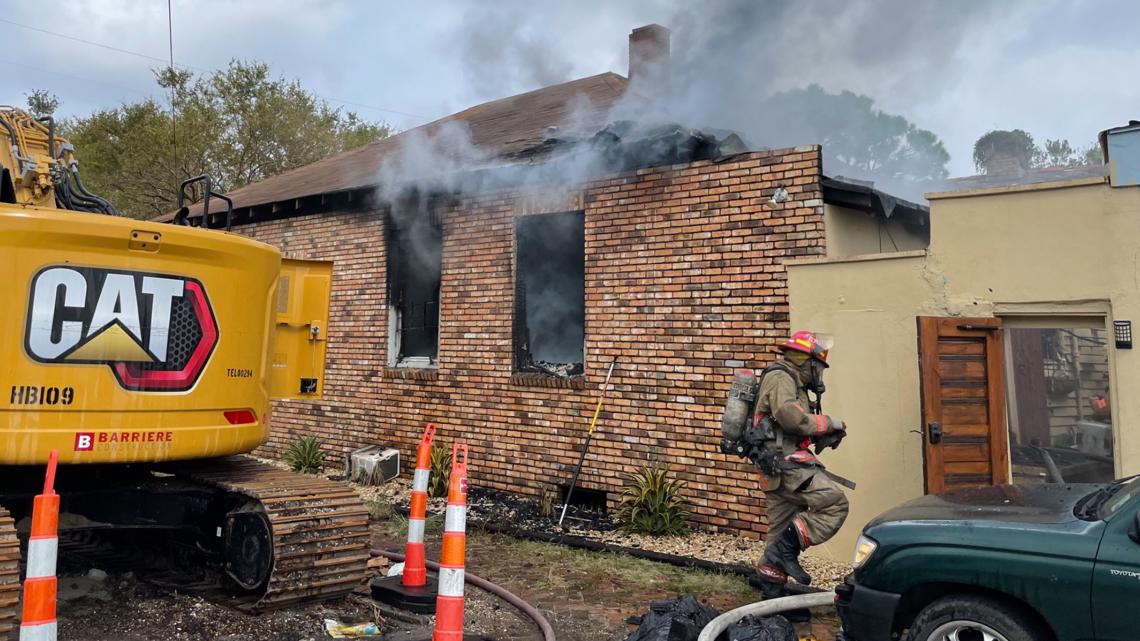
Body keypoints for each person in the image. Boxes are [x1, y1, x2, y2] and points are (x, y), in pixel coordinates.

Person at [753, 331, 850, 598]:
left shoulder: (789, 380)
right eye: (818, 367)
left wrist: (820, 434)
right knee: (834, 503)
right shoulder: (782, 377)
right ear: (806, 361)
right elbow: (789, 417)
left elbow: (789, 424)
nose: (819, 374)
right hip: (786, 466)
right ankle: (782, 553)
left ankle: (772, 601)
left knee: (779, 532)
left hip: (777, 467)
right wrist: (830, 423)